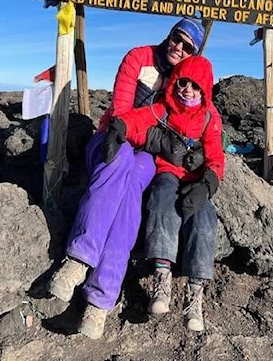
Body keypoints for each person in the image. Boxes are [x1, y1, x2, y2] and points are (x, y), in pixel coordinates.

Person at [46, 17, 206, 339]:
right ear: (170, 35)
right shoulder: (138, 57)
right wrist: (155, 140)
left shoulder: (181, 82)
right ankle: (79, 259)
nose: (179, 47)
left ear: (193, 54)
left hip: (146, 155)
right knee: (119, 162)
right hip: (110, 140)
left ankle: (101, 301)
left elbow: (178, 127)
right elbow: (120, 112)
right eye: (178, 38)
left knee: (134, 184)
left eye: (188, 46)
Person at [118, 54, 225, 332]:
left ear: (205, 89)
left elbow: (216, 155)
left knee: (204, 219)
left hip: (195, 180)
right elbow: (139, 120)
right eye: (183, 82)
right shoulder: (164, 107)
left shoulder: (210, 117)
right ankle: (161, 278)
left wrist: (208, 184)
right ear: (175, 82)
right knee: (162, 202)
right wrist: (120, 126)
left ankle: (195, 293)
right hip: (166, 172)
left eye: (195, 85)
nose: (187, 89)